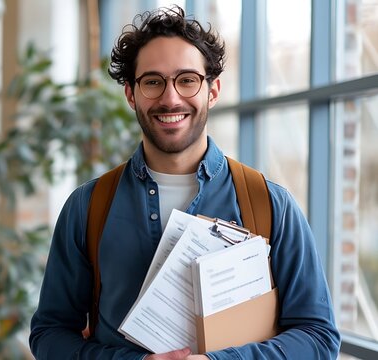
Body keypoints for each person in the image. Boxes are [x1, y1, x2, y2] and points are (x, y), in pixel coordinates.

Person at [29, 6, 340, 360]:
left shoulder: (270, 203)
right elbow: (49, 334)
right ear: (131, 94)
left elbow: (318, 337)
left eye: (187, 79)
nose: (171, 97)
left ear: (213, 90)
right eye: (153, 82)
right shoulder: (88, 207)